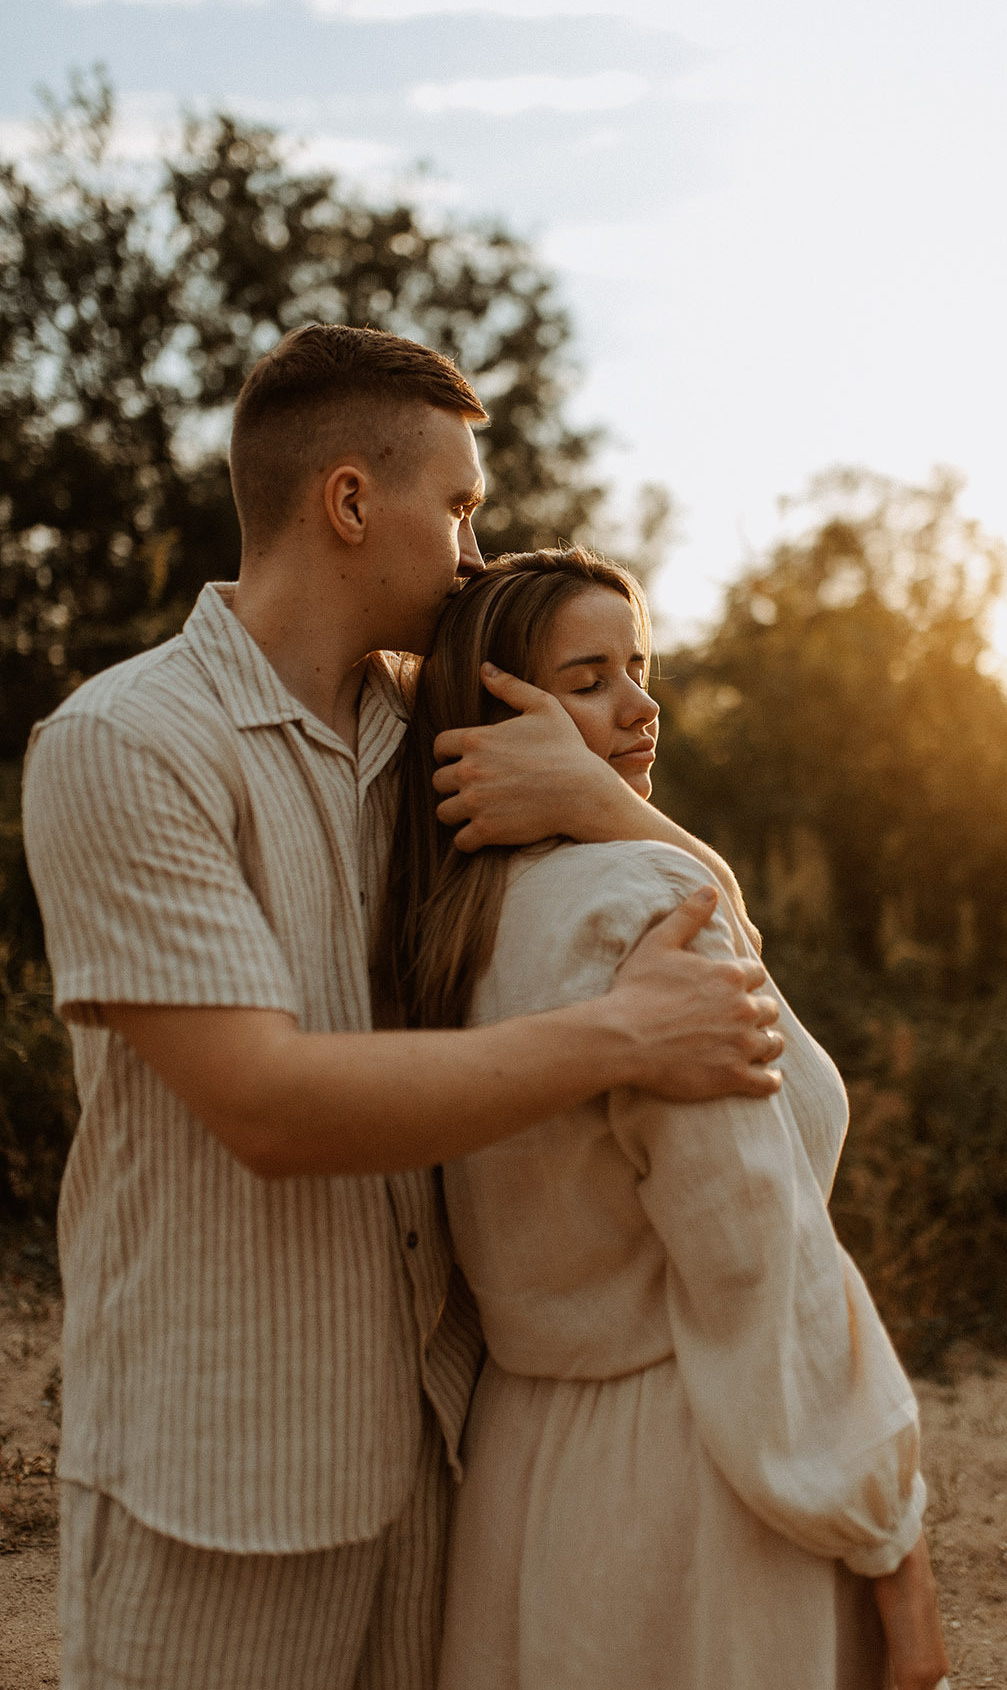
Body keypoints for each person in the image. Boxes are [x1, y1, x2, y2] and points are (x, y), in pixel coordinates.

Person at [20, 325, 783, 1690]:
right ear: (353, 501)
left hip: (442, 1458)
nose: (478, 553)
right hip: (222, 1484)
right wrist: (624, 1036)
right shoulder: (125, 746)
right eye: (460, 506)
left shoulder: (440, 738)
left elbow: (694, 914)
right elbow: (266, 1101)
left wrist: (606, 800)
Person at [378, 546, 952, 1690]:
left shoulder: (444, 927)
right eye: (587, 679)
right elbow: (760, 1262)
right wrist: (897, 1555)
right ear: (497, 712)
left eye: (637, 666)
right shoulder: (647, 908)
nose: (643, 705)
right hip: (696, 1482)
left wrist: (606, 805)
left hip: (521, 1477)